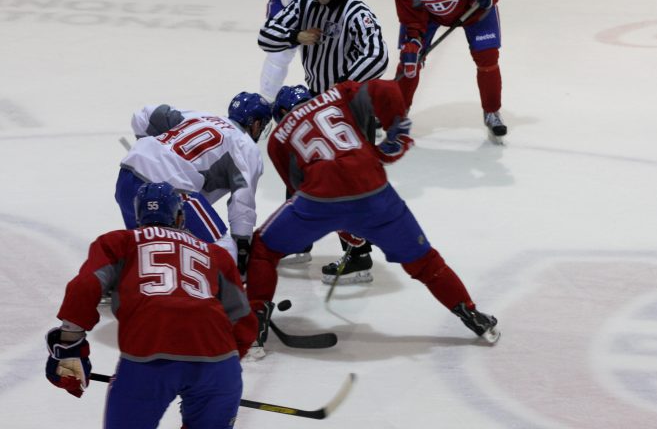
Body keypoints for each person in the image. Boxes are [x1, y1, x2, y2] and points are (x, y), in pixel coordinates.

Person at [243, 81, 500, 358]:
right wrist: (396, 135)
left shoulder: (279, 137)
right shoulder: (336, 94)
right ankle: (472, 314)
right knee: (425, 261)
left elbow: (298, 191)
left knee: (263, 249)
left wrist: (342, 225)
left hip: (321, 199)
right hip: (374, 191)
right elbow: (388, 90)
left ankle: (254, 327)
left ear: (281, 112)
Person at [45, 182, 258, 428]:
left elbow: (84, 286)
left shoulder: (119, 242)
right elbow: (244, 321)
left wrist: (70, 345)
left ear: (138, 217)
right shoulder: (215, 254)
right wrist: (222, 368)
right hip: (218, 363)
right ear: (180, 216)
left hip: (149, 358)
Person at [259, 0, 389, 273]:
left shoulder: (356, 11)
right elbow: (267, 36)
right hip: (316, 103)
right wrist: (295, 35)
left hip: (351, 108)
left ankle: (358, 254)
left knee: (347, 181)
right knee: (301, 168)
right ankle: (298, 237)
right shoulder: (305, 5)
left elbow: (378, 58)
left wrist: (342, 88)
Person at [115, 92, 271, 274]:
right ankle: (222, 299)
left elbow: (143, 116)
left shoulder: (198, 116)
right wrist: (242, 248)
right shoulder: (246, 146)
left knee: (146, 247)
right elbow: (242, 203)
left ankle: (129, 286)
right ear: (257, 124)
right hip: (174, 192)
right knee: (225, 251)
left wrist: (154, 155)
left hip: (128, 176)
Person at [390, 0, 511, 141]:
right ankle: (398, 113)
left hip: (472, 11)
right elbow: (409, 12)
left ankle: (492, 112)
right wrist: (414, 40)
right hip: (428, 15)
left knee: (488, 58)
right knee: (409, 61)